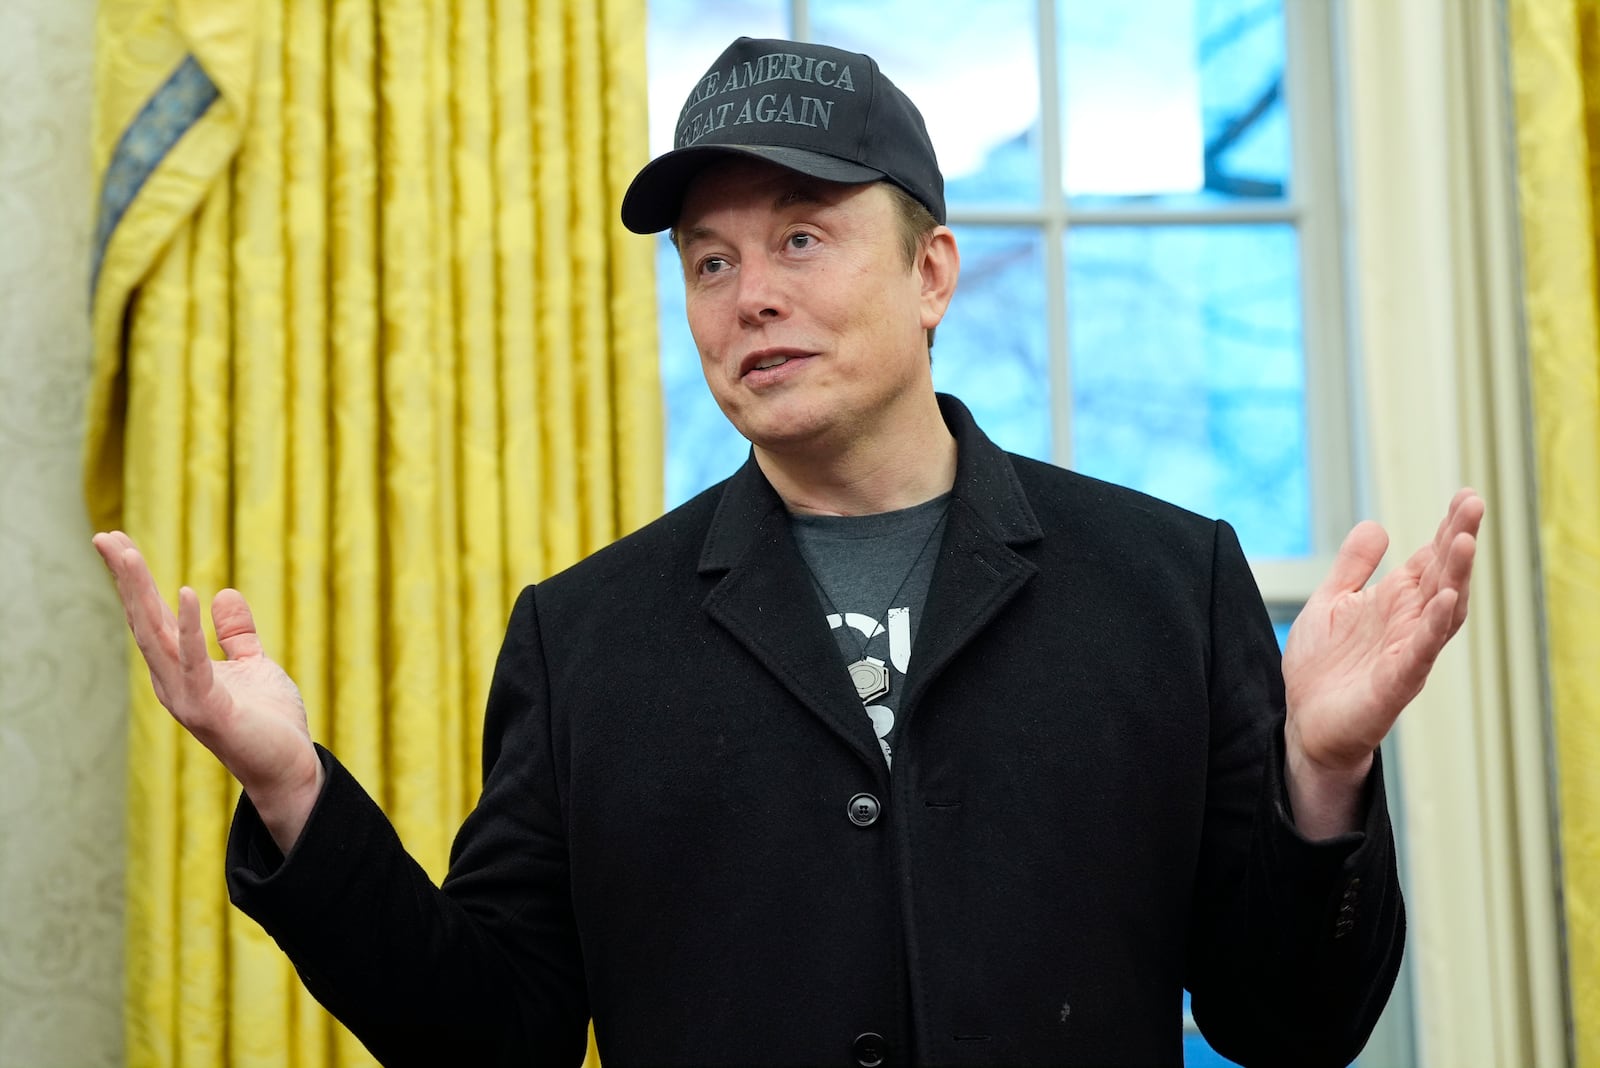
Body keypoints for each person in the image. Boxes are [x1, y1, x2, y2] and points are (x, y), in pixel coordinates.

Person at [93, 36, 1483, 1068]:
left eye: (803, 238)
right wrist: (296, 798)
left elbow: (1288, 1024)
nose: (751, 297)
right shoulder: (584, 639)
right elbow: (492, 1034)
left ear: (933, 274)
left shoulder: (1164, 584)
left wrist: (1322, 776)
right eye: (710, 261)